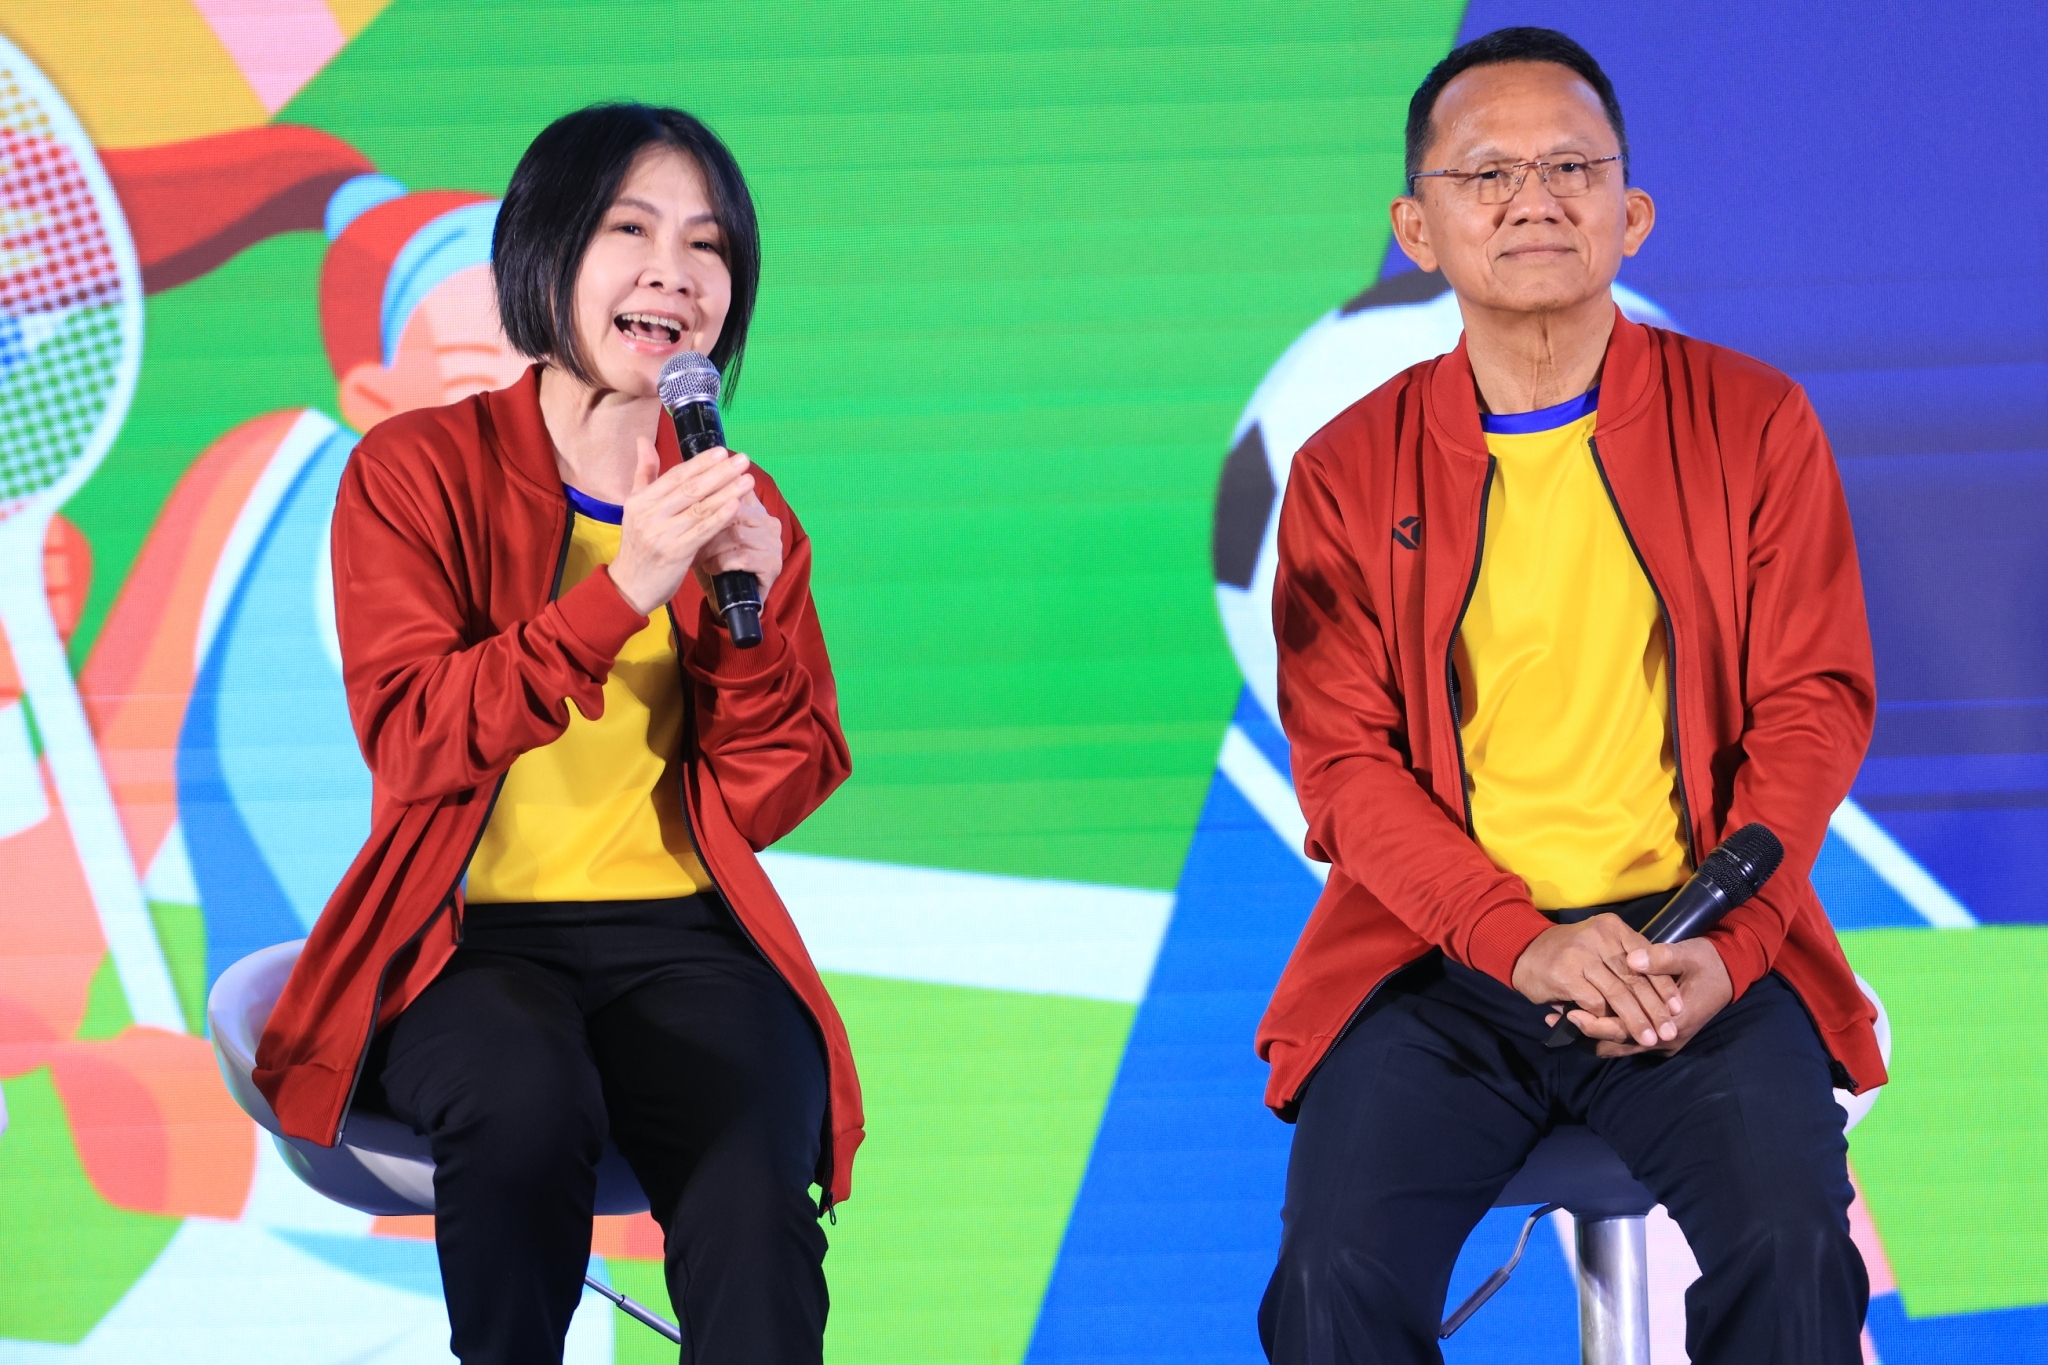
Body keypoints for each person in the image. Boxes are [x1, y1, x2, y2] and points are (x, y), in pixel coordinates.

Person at [1254, 28, 1881, 1365]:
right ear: (1416, 230)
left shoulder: (1754, 420)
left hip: (1694, 947)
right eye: (1487, 173)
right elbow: (1346, 769)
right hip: (1440, 970)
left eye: (1570, 168)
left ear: (1630, 214)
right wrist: (1515, 941)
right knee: (1329, 1281)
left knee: (1792, 1251)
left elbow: (1813, 703)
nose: (1532, 198)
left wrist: (1726, 947)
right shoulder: (1347, 472)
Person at [252, 103, 864, 1365]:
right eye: (629, 231)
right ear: (542, 254)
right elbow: (414, 734)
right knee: (523, 1106)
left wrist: (746, 630)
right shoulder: (415, 470)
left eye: (707, 246)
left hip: (683, 937)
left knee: (755, 1165)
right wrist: (623, 587)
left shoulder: (739, 506)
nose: (673, 273)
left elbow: (770, 792)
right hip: (467, 942)